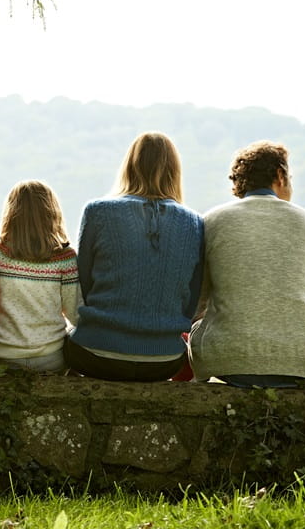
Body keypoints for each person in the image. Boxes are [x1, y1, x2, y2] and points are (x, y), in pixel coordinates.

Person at [190, 140, 305, 387]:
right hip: (303, 363)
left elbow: (199, 302)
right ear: (280, 175)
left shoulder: (212, 220)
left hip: (228, 362)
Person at [67, 132, 204, 382]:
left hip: (95, 353)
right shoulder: (194, 223)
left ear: (129, 166)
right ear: (175, 171)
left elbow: (84, 284)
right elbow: (191, 301)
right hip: (165, 361)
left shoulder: (97, 211)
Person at [0, 180, 80, 372]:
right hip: (51, 357)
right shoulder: (65, 258)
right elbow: (74, 312)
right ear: (52, 214)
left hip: (4, 355)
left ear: (11, 214)